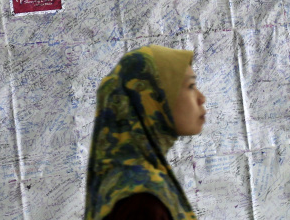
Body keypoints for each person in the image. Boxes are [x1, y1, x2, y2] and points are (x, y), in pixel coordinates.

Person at [84, 45, 207, 220]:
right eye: (191, 86)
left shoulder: (133, 181)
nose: (201, 98)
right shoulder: (143, 202)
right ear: (151, 98)